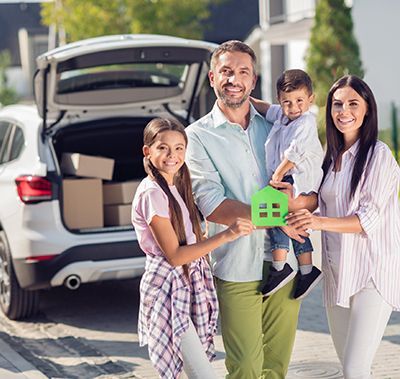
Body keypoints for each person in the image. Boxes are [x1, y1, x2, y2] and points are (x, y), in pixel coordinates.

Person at [185, 40, 316, 379]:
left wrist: (298, 206)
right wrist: (277, 218)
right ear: (213, 77)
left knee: (275, 366)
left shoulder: (279, 123)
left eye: (243, 72)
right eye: (226, 71)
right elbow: (213, 205)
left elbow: (315, 187)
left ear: (253, 80)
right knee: (245, 366)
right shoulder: (197, 137)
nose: (234, 79)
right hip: (237, 265)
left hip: (284, 263)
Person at [287, 75, 400, 378]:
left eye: (353, 103)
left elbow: (367, 220)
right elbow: (315, 202)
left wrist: (317, 222)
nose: (343, 111)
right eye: (337, 104)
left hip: (371, 275)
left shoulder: (379, 156)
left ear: (367, 111)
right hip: (338, 274)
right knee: (351, 370)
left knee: (354, 369)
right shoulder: (330, 157)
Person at [131, 117, 254, 379]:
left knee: (198, 370)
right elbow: (175, 257)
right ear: (147, 151)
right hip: (168, 289)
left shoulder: (175, 185)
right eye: (163, 147)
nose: (172, 155)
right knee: (202, 373)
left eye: (179, 148)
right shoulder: (152, 192)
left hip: (185, 285)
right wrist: (226, 236)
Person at [251, 69, 324, 300]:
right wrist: (248, 100)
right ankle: (307, 270)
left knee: (274, 215)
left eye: (299, 101)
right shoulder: (282, 116)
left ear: (310, 99)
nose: (293, 107)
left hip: (295, 177)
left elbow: (294, 153)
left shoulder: (306, 122)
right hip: (288, 176)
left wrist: (277, 176)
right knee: (294, 221)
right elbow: (266, 108)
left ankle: (280, 268)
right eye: (286, 102)